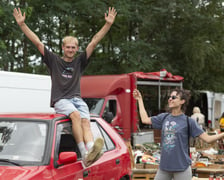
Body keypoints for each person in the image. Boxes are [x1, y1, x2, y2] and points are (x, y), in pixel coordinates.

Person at [13, 7, 117, 167]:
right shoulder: (54, 60)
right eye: (68, 47)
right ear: (63, 48)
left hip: (77, 99)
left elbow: (94, 41)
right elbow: (37, 42)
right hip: (61, 100)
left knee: (85, 121)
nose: (70, 49)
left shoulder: (79, 61)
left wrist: (108, 25)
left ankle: (91, 150)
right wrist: (22, 25)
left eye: (73, 47)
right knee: (75, 115)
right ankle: (84, 153)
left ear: (76, 49)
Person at [133, 88, 224, 180]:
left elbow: (208, 139)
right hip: (164, 167)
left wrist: (223, 134)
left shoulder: (189, 121)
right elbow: (145, 119)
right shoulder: (164, 117)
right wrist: (139, 99)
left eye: (173, 97)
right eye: (169, 97)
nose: (170, 99)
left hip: (182, 168)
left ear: (182, 101)